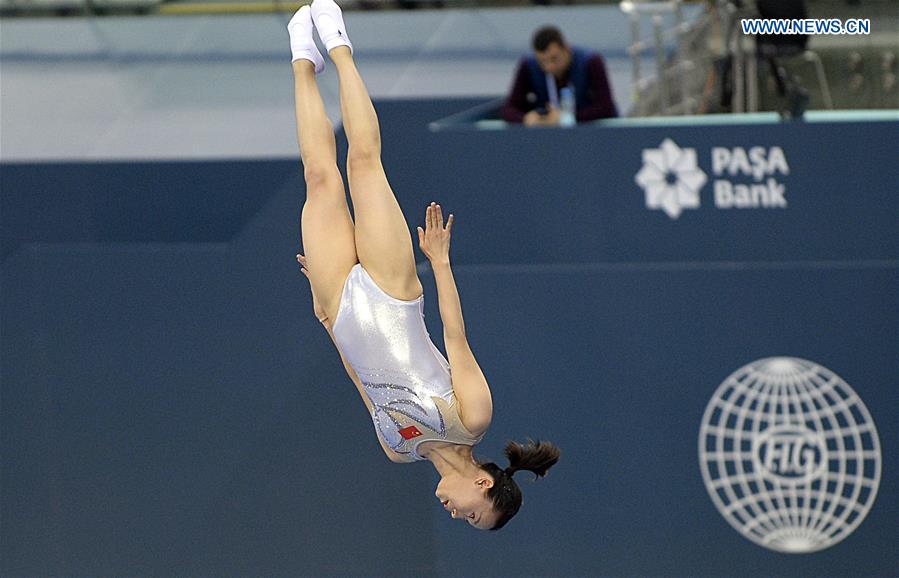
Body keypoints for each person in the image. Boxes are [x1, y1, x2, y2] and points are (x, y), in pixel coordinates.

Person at [287, 0, 561, 531]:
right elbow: (455, 336)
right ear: (485, 483)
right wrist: (439, 261)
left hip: (341, 306)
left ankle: (302, 57)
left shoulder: (397, 450)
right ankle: (339, 47)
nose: (456, 514)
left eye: (464, 521)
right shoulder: (473, 417)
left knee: (319, 178)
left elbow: (364, 384)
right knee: (362, 163)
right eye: (473, 514)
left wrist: (327, 322)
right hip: (394, 291)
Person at [501, 25, 618, 126]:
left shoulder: (591, 62)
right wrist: (526, 119)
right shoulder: (528, 65)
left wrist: (567, 118)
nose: (549, 67)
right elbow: (509, 109)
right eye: (542, 62)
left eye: (554, 59)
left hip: (593, 136)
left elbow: (605, 107)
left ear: (566, 49)